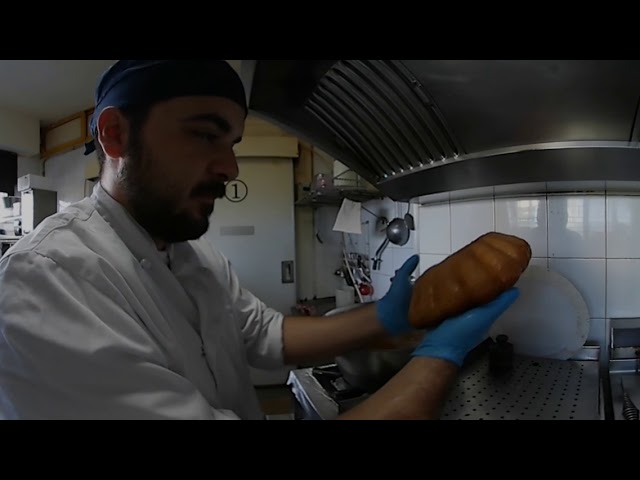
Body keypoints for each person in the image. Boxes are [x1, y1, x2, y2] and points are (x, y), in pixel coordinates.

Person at [0, 60, 519, 420]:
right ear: (114, 135)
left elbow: (267, 335)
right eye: (204, 133)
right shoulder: (50, 280)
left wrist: (386, 316)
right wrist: (440, 356)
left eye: (232, 143)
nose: (228, 167)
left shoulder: (193, 255)